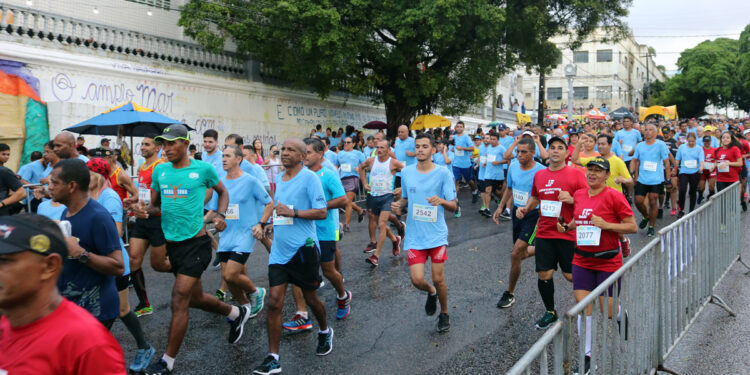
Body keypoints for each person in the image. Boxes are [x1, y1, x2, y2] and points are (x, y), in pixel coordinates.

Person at [140, 124, 250, 375]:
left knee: (180, 298)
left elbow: (222, 192)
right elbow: (155, 207)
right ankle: (236, 312)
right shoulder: (161, 172)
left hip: (197, 243)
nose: (165, 148)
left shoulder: (203, 169)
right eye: (163, 144)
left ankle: (167, 362)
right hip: (173, 244)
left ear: (186, 144)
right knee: (197, 298)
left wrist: (220, 214)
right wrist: (142, 210)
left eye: (171, 143)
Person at [0, 214, 127, 374]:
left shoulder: (87, 344)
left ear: (49, 266)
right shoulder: (6, 322)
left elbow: (118, 266)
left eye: (5, 261)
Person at [252, 138, 332, 375]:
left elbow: (322, 211)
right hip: (279, 250)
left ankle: (325, 331)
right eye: (283, 149)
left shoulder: (310, 179)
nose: (284, 153)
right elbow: (280, 208)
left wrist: (293, 212)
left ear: (302, 156)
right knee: (275, 302)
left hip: (303, 248)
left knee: (311, 299)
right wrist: (272, 224)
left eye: (291, 150)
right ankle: (273, 357)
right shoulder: (278, 179)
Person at [556, 157, 637, 374]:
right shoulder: (580, 194)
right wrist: (567, 227)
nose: (592, 173)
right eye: (590, 170)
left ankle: (620, 314)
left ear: (606, 176)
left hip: (608, 260)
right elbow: (579, 219)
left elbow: (632, 226)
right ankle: (588, 357)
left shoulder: (614, 196)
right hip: (582, 259)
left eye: (598, 171)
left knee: (607, 310)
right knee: (584, 308)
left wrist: (606, 225)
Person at [87, 160, 155, 372]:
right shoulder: (88, 195)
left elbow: (115, 232)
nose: (83, 177)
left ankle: (142, 348)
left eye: (87, 173)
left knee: (120, 309)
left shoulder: (110, 197)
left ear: (98, 175)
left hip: (116, 264)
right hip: (97, 262)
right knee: (106, 310)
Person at [282, 138, 352, 332]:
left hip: (324, 230)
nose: (306, 155)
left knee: (328, 270)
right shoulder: (297, 175)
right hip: (302, 231)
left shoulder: (328, 175)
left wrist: (319, 207)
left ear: (320, 154)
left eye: (310, 152)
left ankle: (342, 295)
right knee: (297, 272)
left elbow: (343, 199)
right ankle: (302, 314)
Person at [47, 158, 125, 329]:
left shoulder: (98, 217)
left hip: (96, 310)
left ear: (72, 186)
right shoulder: (66, 213)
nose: (49, 187)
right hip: (73, 306)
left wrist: (81, 253)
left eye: (54, 183)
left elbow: (118, 266)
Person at [520, 135, 587, 329]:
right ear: (548, 152)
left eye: (560, 147)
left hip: (567, 233)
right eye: (552, 147)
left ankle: (594, 294)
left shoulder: (575, 175)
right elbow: (535, 197)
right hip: (544, 232)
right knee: (544, 273)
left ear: (567, 153)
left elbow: (589, 200)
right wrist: (526, 208)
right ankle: (550, 312)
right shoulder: (540, 175)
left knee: (570, 275)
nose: (556, 150)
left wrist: (573, 200)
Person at [392, 133, 457, 332]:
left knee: (439, 279)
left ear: (433, 150)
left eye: (424, 146)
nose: (420, 149)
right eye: (418, 146)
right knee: (417, 279)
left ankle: (444, 313)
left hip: (436, 235)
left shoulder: (443, 173)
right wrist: (399, 205)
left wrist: (442, 201)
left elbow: (454, 206)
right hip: (414, 235)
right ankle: (431, 292)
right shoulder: (406, 172)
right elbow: (405, 199)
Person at [216, 146, 272, 319]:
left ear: (239, 159)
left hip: (245, 233)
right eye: (223, 156)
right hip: (226, 235)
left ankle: (256, 291)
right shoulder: (220, 182)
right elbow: (215, 210)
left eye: (227, 156)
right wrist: (212, 220)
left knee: (230, 274)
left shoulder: (250, 181)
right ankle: (245, 306)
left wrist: (260, 224)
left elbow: (269, 203)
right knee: (231, 279)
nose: (223, 159)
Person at [493, 138, 545, 308]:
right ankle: (545, 248)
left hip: (534, 215)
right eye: (518, 152)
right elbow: (509, 187)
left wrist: (530, 209)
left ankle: (510, 293)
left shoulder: (541, 171)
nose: (519, 155)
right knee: (520, 254)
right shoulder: (514, 165)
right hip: (517, 213)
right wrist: (500, 207)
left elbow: (545, 196)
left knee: (515, 253)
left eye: (524, 152)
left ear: (533, 153)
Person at [123, 135, 170, 318]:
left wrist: (149, 208)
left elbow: (163, 196)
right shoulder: (141, 167)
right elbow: (144, 193)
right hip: (142, 219)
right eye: (141, 144)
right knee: (133, 259)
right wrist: (132, 201)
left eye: (146, 144)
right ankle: (144, 304)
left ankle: (186, 275)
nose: (142, 147)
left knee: (158, 264)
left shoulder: (160, 166)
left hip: (157, 220)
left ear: (157, 148)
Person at [358, 139, 403, 266]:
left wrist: (402, 188)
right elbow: (361, 168)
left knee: (382, 224)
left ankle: (375, 256)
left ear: (389, 150)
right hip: (373, 196)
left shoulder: (393, 162)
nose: (379, 150)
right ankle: (395, 240)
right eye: (378, 147)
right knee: (379, 225)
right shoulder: (372, 161)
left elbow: (408, 173)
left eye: (383, 148)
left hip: (387, 196)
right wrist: (364, 184)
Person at [630, 124, 670, 237]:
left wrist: (668, 178)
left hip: (656, 179)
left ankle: (651, 226)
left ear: (656, 133)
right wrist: (632, 172)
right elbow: (634, 160)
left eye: (650, 130)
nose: (647, 132)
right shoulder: (640, 146)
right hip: (643, 178)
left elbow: (666, 162)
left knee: (653, 201)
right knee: (638, 201)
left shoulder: (660, 145)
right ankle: (646, 216)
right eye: (646, 130)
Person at [336, 136, 367, 231]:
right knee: (343, 201)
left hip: (353, 178)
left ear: (353, 144)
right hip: (342, 179)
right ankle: (360, 210)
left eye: (348, 142)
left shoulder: (358, 153)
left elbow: (366, 164)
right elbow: (336, 165)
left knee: (348, 202)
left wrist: (360, 168)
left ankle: (347, 225)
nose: (346, 144)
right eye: (344, 142)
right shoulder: (340, 154)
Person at [674, 133, 704, 216]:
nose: (691, 143)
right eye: (689, 141)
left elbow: (701, 160)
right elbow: (677, 159)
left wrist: (701, 167)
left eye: (693, 141)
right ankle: (681, 209)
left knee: (692, 191)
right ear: (686, 140)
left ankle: (691, 210)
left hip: (695, 172)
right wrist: (675, 168)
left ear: (695, 140)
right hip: (684, 171)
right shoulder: (682, 147)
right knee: (682, 190)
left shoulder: (699, 149)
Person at [452, 121, 479, 211]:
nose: (459, 128)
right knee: (456, 181)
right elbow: (452, 147)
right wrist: (452, 149)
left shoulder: (466, 137)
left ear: (463, 128)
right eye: (457, 126)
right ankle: (455, 201)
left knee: (469, 181)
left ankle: (475, 191)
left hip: (465, 164)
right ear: (455, 128)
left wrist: (462, 148)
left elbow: (472, 148)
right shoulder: (454, 137)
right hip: (456, 164)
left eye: (460, 126)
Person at [480, 132, 508, 217]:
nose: (492, 141)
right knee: (488, 190)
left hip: (498, 175)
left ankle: (504, 204)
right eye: (491, 139)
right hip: (488, 174)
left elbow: (507, 159)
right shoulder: (488, 147)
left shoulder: (501, 148)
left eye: (494, 139)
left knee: (498, 192)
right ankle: (487, 209)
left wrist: (498, 162)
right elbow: (489, 157)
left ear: (498, 140)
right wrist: (485, 162)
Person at [614, 117, 641, 199]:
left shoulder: (636, 132)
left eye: (627, 121)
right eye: (624, 121)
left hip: (631, 158)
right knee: (622, 178)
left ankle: (629, 196)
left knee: (630, 177)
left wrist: (635, 147)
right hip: (621, 158)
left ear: (631, 122)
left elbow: (639, 142)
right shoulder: (619, 133)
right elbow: (614, 144)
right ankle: (624, 193)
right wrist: (619, 143)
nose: (626, 123)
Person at [0, 147, 26, 216]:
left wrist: (2, 203)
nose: (6, 157)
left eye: (8, 155)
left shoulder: (5, 171)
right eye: (3, 154)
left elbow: (22, 193)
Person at [698, 135, 718, 204]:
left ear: (711, 141)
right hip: (703, 171)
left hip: (711, 170)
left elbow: (716, 160)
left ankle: (711, 195)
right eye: (705, 141)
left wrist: (713, 166)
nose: (707, 143)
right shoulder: (700, 149)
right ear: (703, 142)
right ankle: (700, 195)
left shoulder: (714, 150)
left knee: (711, 187)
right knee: (701, 187)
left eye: (708, 141)